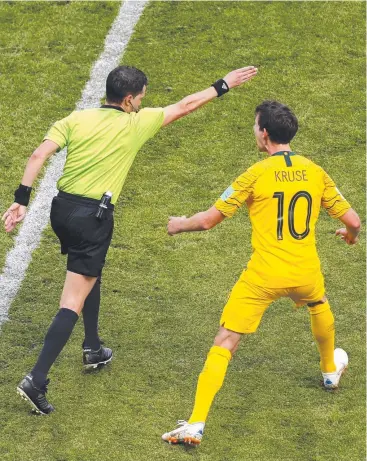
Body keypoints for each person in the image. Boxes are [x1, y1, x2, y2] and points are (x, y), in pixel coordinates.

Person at [2, 65, 257, 415]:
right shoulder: (136, 123)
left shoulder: (76, 118)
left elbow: (38, 155)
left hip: (62, 211)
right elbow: (185, 105)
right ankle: (37, 379)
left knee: (91, 271)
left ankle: (93, 347)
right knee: (71, 301)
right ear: (127, 100)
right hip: (93, 218)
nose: (141, 103)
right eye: (140, 98)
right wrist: (223, 84)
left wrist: (21, 199)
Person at [162, 100, 361, 446]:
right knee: (318, 301)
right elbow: (353, 221)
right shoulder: (315, 171)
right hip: (304, 271)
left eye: (255, 126)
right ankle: (330, 371)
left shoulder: (255, 174)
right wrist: (350, 236)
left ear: (264, 133)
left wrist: (179, 225)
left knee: (225, 341)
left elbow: (209, 220)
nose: (254, 130)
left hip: (264, 275)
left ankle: (195, 424)